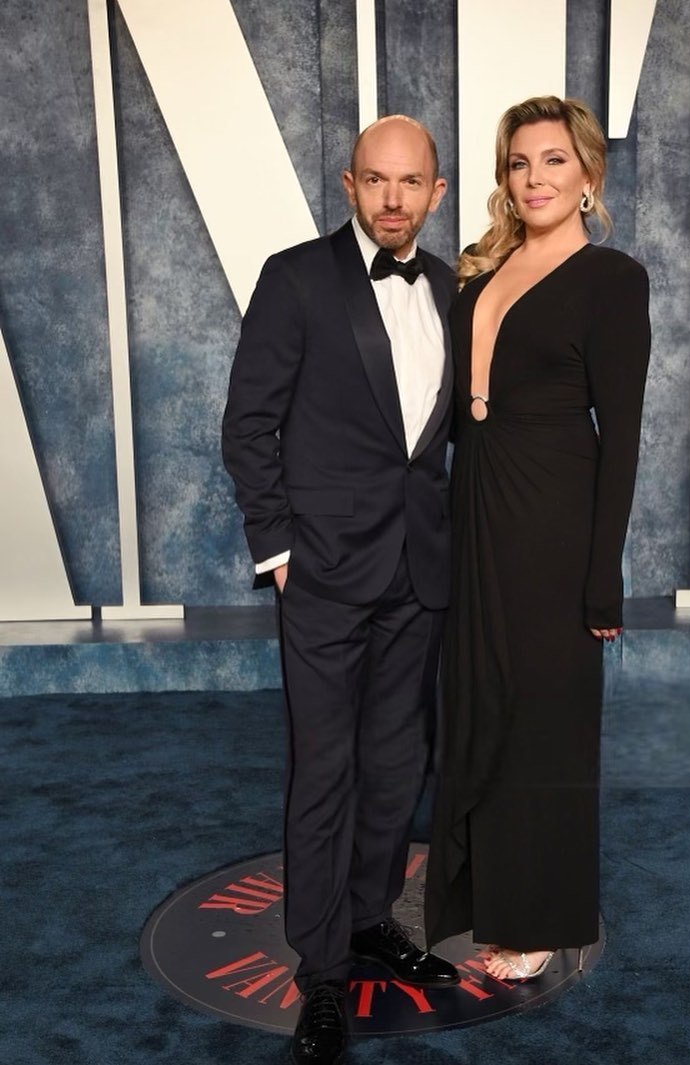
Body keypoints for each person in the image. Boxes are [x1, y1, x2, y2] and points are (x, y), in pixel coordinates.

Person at [222, 115, 459, 1065]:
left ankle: (368, 919)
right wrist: (278, 549)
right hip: (322, 570)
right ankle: (321, 968)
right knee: (324, 770)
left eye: (411, 182)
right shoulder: (294, 278)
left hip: (420, 570)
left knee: (397, 764)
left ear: (436, 192)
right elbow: (249, 424)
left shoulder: (451, 287)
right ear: (350, 184)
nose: (393, 199)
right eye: (376, 180)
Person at [424, 96, 651, 981]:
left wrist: (603, 574)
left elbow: (622, 437)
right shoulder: (480, 270)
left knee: (545, 715)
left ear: (588, 174)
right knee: (480, 700)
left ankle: (542, 913)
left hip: (555, 515)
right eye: (520, 162)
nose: (535, 178)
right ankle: (485, 897)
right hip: (476, 501)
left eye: (555, 160)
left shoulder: (612, 279)